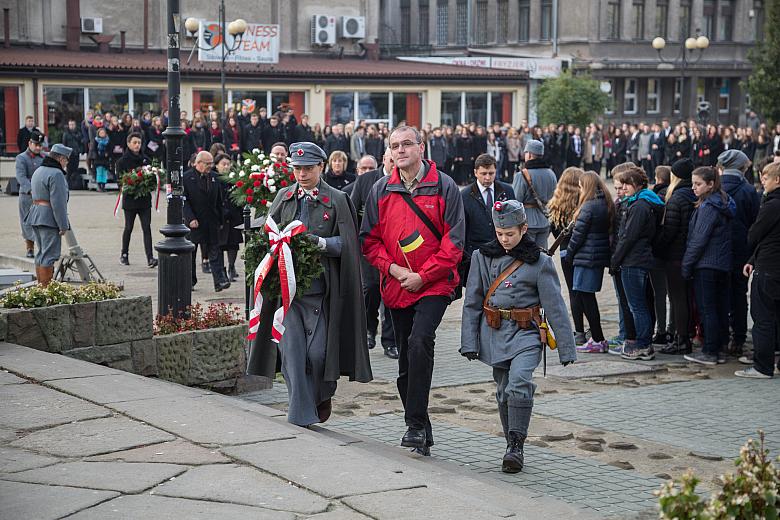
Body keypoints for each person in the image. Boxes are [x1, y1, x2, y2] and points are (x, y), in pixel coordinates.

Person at [247, 141, 372, 426]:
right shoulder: (284, 196)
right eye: (297, 169)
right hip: (287, 294)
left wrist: (320, 243)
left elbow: (349, 244)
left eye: (307, 168)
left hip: (323, 293)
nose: (301, 174)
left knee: (317, 355)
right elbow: (267, 233)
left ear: (321, 167)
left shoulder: (338, 199)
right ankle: (299, 418)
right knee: (292, 353)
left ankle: (321, 395)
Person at [361, 125, 465, 456]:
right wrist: (394, 270)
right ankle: (421, 427)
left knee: (420, 341)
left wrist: (423, 275)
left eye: (407, 144)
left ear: (422, 147)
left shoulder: (445, 186)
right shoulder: (381, 189)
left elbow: (454, 242)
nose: (401, 150)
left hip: (435, 283)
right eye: (395, 146)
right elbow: (369, 241)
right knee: (406, 360)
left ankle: (415, 425)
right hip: (397, 284)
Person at [460, 200, 575, 473]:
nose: (504, 239)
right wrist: (469, 341)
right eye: (500, 233)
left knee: (519, 381)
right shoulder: (481, 257)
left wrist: (566, 348)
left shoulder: (540, 261)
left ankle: (516, 445)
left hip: (527, 335)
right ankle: (510, 441)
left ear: (524, 229)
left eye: (510, 234)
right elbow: (472, 301)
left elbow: (555, 306)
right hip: (494, 333)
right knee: (503, 390)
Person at [682, 167, 736, 366]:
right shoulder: (722, 201)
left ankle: (710, 351)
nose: (693, 188)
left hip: (707, 264)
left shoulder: (709, 207)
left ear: (711, 184)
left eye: (698, 184)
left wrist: (686, 265)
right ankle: (720, 348)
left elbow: (698, 240)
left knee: (708, 309)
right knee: (719, 307)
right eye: (693, 183)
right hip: (721, 264)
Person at [610, 165, 665, 361]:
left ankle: (643, 345)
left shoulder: (640, 206)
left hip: (633, 260)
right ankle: (643, 343)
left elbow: (628, 237)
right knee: (639, 304)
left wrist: (615, 260)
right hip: (637, 258)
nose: (624, 188)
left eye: (627, 184)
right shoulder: (640, 202)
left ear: (638, 185)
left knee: (637, 306)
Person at [351, 150, 398, 359]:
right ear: (384, 160)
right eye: (391, 160)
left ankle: (390, 341)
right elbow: (352, 212)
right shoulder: (366, 180)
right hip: (369, 247)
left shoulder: (407, 180)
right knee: (370, 289)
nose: (395, 164)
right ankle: (369, 328)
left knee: (391, 294)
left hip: (395, 248)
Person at [736, 162, 780, 378]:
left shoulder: (772, 205)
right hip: (770, 264)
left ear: (777, 180)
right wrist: (753, 259)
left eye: (766, 178)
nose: (762, 181)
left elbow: (755, 234)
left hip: (769, 268)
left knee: (762, 318)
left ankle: (762, 366)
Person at [565, 171, 615, 353]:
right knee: (586, 296)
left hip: (587, 257)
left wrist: (569, 254)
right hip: (595, 256)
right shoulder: (605, 202)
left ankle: (598, 339)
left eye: (580, 187)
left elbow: (578, 235)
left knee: (586, 297)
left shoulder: (588, 206)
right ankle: (597, 338)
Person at [717, 149, 760, 358]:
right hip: (741, 250)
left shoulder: (714, 188)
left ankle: (720, 337)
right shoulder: (749, 190)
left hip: (716, 250)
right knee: (739, 295)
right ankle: (739, 337)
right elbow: (755, 221)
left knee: (718, 294)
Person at [656, 159, 697, 354]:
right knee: (686, 297)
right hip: (690, 253)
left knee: (678, 298)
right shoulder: (693, 194)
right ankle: (686, 335)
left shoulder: (676, 198)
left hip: (676, 255)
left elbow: (670, 231)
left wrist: (657, 247)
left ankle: (682, 340)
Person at [461, 153, 515, 292]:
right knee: (478, 294)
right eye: (483, 173)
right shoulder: (465, 195)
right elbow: (462, 229)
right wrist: (467, 257)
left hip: (504, 253)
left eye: (491, 173)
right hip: (477, 255)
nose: (487, 177)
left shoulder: (507, 191)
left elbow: (515, 222)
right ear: (475, 173)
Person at [548, 167, 586, 343]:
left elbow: (555, 232)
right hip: (583, 251)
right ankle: (592, 328)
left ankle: (579, 331)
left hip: (564, 252)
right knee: (586, 292)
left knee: (573, 292)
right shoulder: (584, 203)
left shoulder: (556, 204)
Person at [183, 151, 231, 291]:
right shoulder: (186, 178)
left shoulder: (215, 177)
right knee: (191, 252)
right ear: (198, 163)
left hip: (211, 221)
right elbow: (184, 201)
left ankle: (219, 281)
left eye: (211, 163)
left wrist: (221, 219)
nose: (210, 166)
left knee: (215, 251)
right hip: (194, 222)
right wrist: (190, 218)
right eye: (207, 164)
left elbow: (219, 201)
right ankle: (190, 281)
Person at [25, 144, 72, 286]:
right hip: (49, 218)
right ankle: (46, 290)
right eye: (66, 160)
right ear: (61, 159)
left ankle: (40, 287)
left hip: (35, 215)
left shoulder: (39, 170)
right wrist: (63, 225)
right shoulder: (56, 174)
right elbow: (58, 203)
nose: (66, 163)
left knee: (41, 254)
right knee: (49, 255)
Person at [115, 132, 157, 268]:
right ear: (128, 144)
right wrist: (133, 181)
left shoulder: (146, 159)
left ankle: (150, 257)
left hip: (144, 200)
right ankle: (124, 254)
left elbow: (152, 179)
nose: (137, 145)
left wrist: (151, 180)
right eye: (134, 142)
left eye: (139, 142)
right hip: (130, 200)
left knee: (147, 228)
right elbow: (120, 181)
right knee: (129, 227)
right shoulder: (122, 161)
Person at [512, 139, 557, 249]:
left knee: (526, 255)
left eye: (526, 153)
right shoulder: (551, 174)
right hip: (545, 219)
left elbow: (515, 202)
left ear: (530, 155)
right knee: (542, 254)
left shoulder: (521, 175)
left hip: (526, 221)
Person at [15, 130, 45, 258]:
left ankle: (43, 247)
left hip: (43, 196)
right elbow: (21, 177)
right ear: (29, 143)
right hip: (27, 195)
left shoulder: (45, 157)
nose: (38, 148)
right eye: (36, 145)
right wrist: (32, 190)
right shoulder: (21, 158)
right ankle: (30, 248)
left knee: (42, 221)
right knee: (27, 222)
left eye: (40, 145)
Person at [215, 153, 242, 281]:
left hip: (233, 216)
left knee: (233, 243)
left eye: (228, 164)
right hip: (219, 216)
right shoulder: (214, 179)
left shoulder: (234, 179)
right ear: (217, 165)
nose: (226, 167)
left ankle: (231, 267)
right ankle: (221, 270)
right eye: (223, 164)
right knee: (219, 244)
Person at [61, 119, 85, 190]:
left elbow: (81, 143)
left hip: (76, 153)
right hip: (69, 154)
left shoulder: (78, 133)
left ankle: (74, 184)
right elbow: (64, 144)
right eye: (70, 125)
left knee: (75, 169)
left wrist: (80, 150)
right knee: (69, 170)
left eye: (73, 124)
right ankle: (67, 184)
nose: (71, 126)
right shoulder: (66, 134)